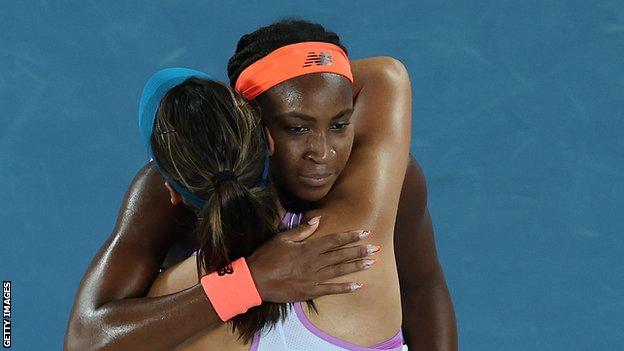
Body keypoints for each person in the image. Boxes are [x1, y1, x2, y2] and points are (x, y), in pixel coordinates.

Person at [64, 20, 457, 351]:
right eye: (297, 127)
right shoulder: (182, 181)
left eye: (340, 124)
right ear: (257, 128)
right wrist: (251, 281)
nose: (322, 153)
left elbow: (422, 288)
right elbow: (387, 75)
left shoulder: (392, 181)